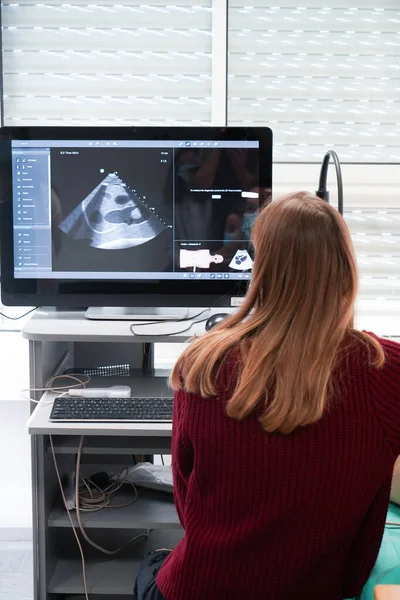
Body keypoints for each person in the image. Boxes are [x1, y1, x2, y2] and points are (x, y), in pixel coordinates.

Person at [135, 191, 400, 600]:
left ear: (262, 269)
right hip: (317, 589)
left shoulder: (203, 362)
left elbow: (189, 509)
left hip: (200, 588)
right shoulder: (386, 370)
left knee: (151, 560)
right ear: (346, 268)